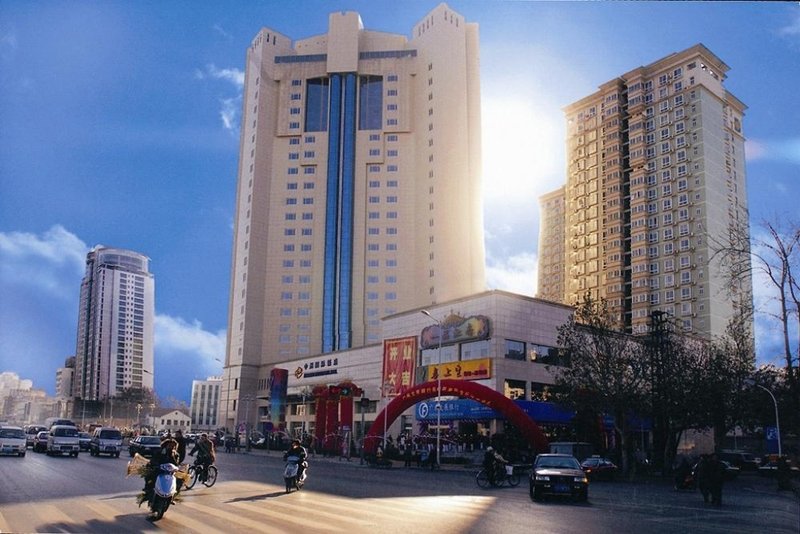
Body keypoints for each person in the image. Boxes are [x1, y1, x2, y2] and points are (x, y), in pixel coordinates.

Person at [142, 438, 180, 506]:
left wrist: (175, 466)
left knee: (178, 481)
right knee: (150, 477)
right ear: (166, 445)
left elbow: (176, 464)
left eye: (173, 446)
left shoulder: (175, 454)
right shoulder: (159, 451)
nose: (171, 447)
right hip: (159, 470)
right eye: (170, 446)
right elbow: (154, 459)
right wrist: (155, 465)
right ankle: (148, 491)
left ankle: (172, 496)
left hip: (169, 473)